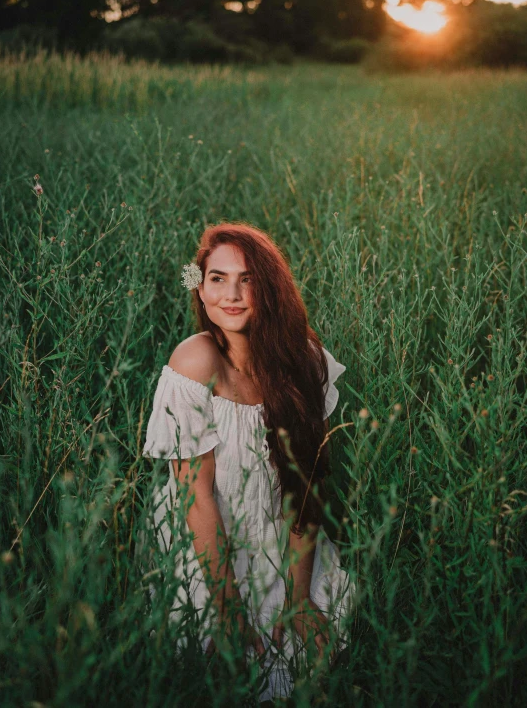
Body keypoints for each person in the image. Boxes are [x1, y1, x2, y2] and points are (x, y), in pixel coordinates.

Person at [141, 223, 353, 704]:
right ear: (200, 284)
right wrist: (227, 609)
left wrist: (297, 597)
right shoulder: (195, 362)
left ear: (270, 287)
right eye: (217, 278)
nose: (231, 294)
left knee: (308, 644)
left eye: (247, 279)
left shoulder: (305, 360)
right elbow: (195, 498)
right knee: (222, 659)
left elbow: (307, 486)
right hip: (205, 536)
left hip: (279, 532)